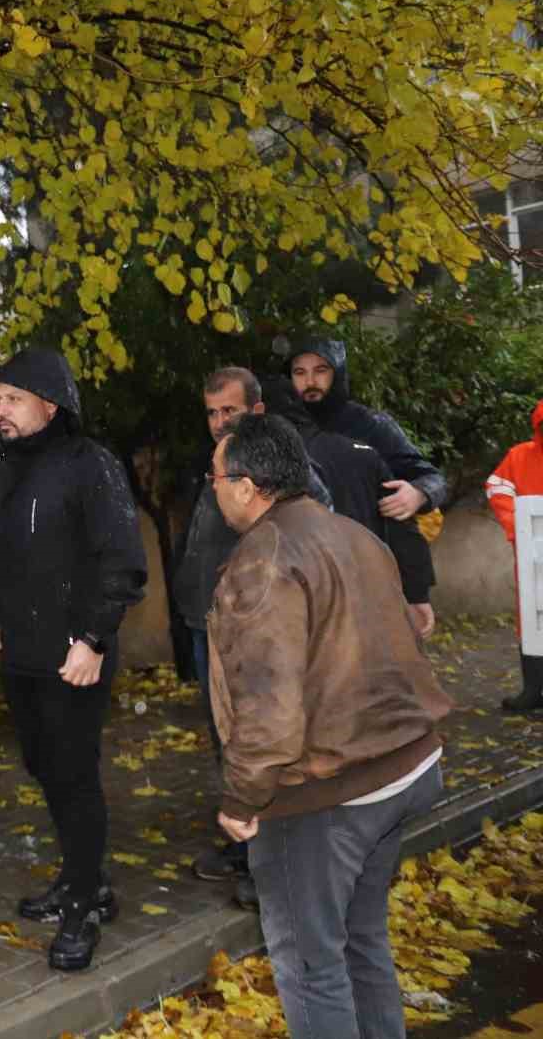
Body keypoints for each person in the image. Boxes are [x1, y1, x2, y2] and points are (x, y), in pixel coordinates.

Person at [208, 414, 451, 1039]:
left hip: (325, 792)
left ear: (246, 485)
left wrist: (241, 797)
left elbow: (269, 705)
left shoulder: (262, 559)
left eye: (214, 477)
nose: (211, 490)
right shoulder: (351, 532)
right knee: (361, 940)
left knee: (311, 964)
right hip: (403, 765)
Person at [0, 347, 147, 972]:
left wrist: (93, 638)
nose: (1, 411)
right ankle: (85, 879)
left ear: (52, 404)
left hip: (76, 655)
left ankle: (82, 907)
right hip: (21, 653)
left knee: (74, 776)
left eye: (13, 399)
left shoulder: (89, 464)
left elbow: (120, 558)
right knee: (43, 766)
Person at [172, 368, 264, 889]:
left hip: (250, 631)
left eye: (229, 410)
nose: (219, 421)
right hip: (207, 627)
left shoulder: (275, 464)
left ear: (256, 410)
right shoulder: (214, 467)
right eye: (211, 411)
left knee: (255, 742)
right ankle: (245, 849)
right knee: (226, 742)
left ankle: (266, 864)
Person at [262, 377, 436, 637]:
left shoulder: (262, 465)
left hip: (302, 608)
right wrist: (417, 594)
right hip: (368, 596)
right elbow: (401, 525)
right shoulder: (362, 453)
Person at [289, 338, 448, 519]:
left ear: (338, 373)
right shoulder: (283, 428)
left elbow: (434, 479)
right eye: (299, 372)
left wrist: (418, 494)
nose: (310, 381)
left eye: (321, 370)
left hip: (368, 542)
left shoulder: (371, 424)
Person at [485, 397, 543, 712]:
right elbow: (497, 487)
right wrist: (517, 526)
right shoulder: (520, 456)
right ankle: (533, 690)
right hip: (534, 554)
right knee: (533, 617)